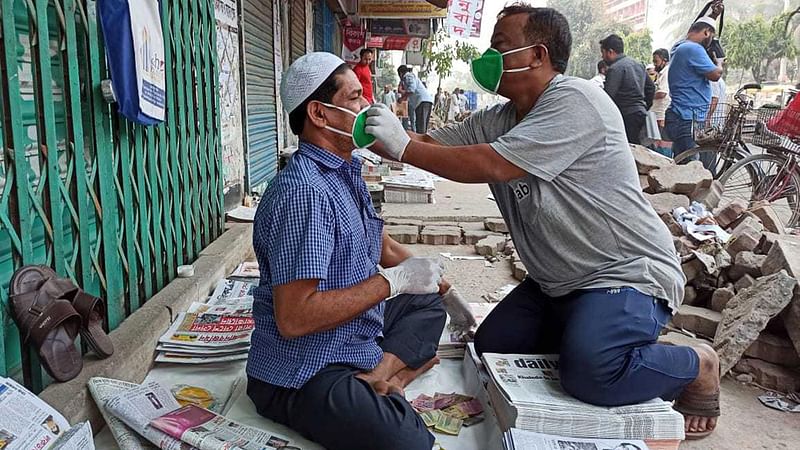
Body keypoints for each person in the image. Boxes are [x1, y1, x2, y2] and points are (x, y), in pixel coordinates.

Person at [364, 4, 721, 440]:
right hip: (556, 284)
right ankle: (588, 335)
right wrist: (367, 129)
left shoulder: (575, 101)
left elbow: (491, 164)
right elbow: (428, 144)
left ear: (537, 54)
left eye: (500, 48)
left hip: (624, 273)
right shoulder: (498, 117)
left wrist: (403, 147)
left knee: (591, 374)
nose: (487, 59)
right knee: (492, 351)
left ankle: (696, 363)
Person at [247, 52, 475, 450]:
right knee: (407, 440)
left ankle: (384, 373)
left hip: (352, 329)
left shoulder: (346, 169)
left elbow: (379, 244)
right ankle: (389, 379)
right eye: (355, 98)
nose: (367, 106)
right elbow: (294, 318)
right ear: (319, 113)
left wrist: (440, 286)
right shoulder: (306, 193)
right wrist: (392, 282)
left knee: (427, 306)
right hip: (304, 367)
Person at [665, 17, 723, 160]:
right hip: (689, 117)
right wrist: (719, 63)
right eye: (711, 36)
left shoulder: (679, 47)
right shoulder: (693, 48)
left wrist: (712, 15)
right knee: (691, 168)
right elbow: (715, 75)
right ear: (707, 32)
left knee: (681, 161)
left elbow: (697, 26)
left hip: (680, 115)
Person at [600, 34, 656, 144]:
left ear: (610, 52)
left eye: (603, 53)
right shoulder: (638, 64)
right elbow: (651, 88)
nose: (602, 57)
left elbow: (608, 97)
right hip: (641, 114)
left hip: (625, 117)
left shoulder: (615, 69)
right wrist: (644, 106)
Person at [398, 65, 434, 134]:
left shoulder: (407, 76)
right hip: (426, 101)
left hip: (422, 102)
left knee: (420, 128)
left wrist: (402, 98)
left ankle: (421, 143)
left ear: (400, 73)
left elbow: (411, 89)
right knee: (422, 128)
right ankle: (423, 143)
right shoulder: (411, 77)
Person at [651, 48, 671, 130]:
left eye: (656, 61)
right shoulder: (660, 73)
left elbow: (662, 93)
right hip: (656, 114)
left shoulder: (666, 73)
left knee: (661, 139)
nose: (654, 64)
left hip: (661, 114)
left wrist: (648, 96)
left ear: (664, 61)